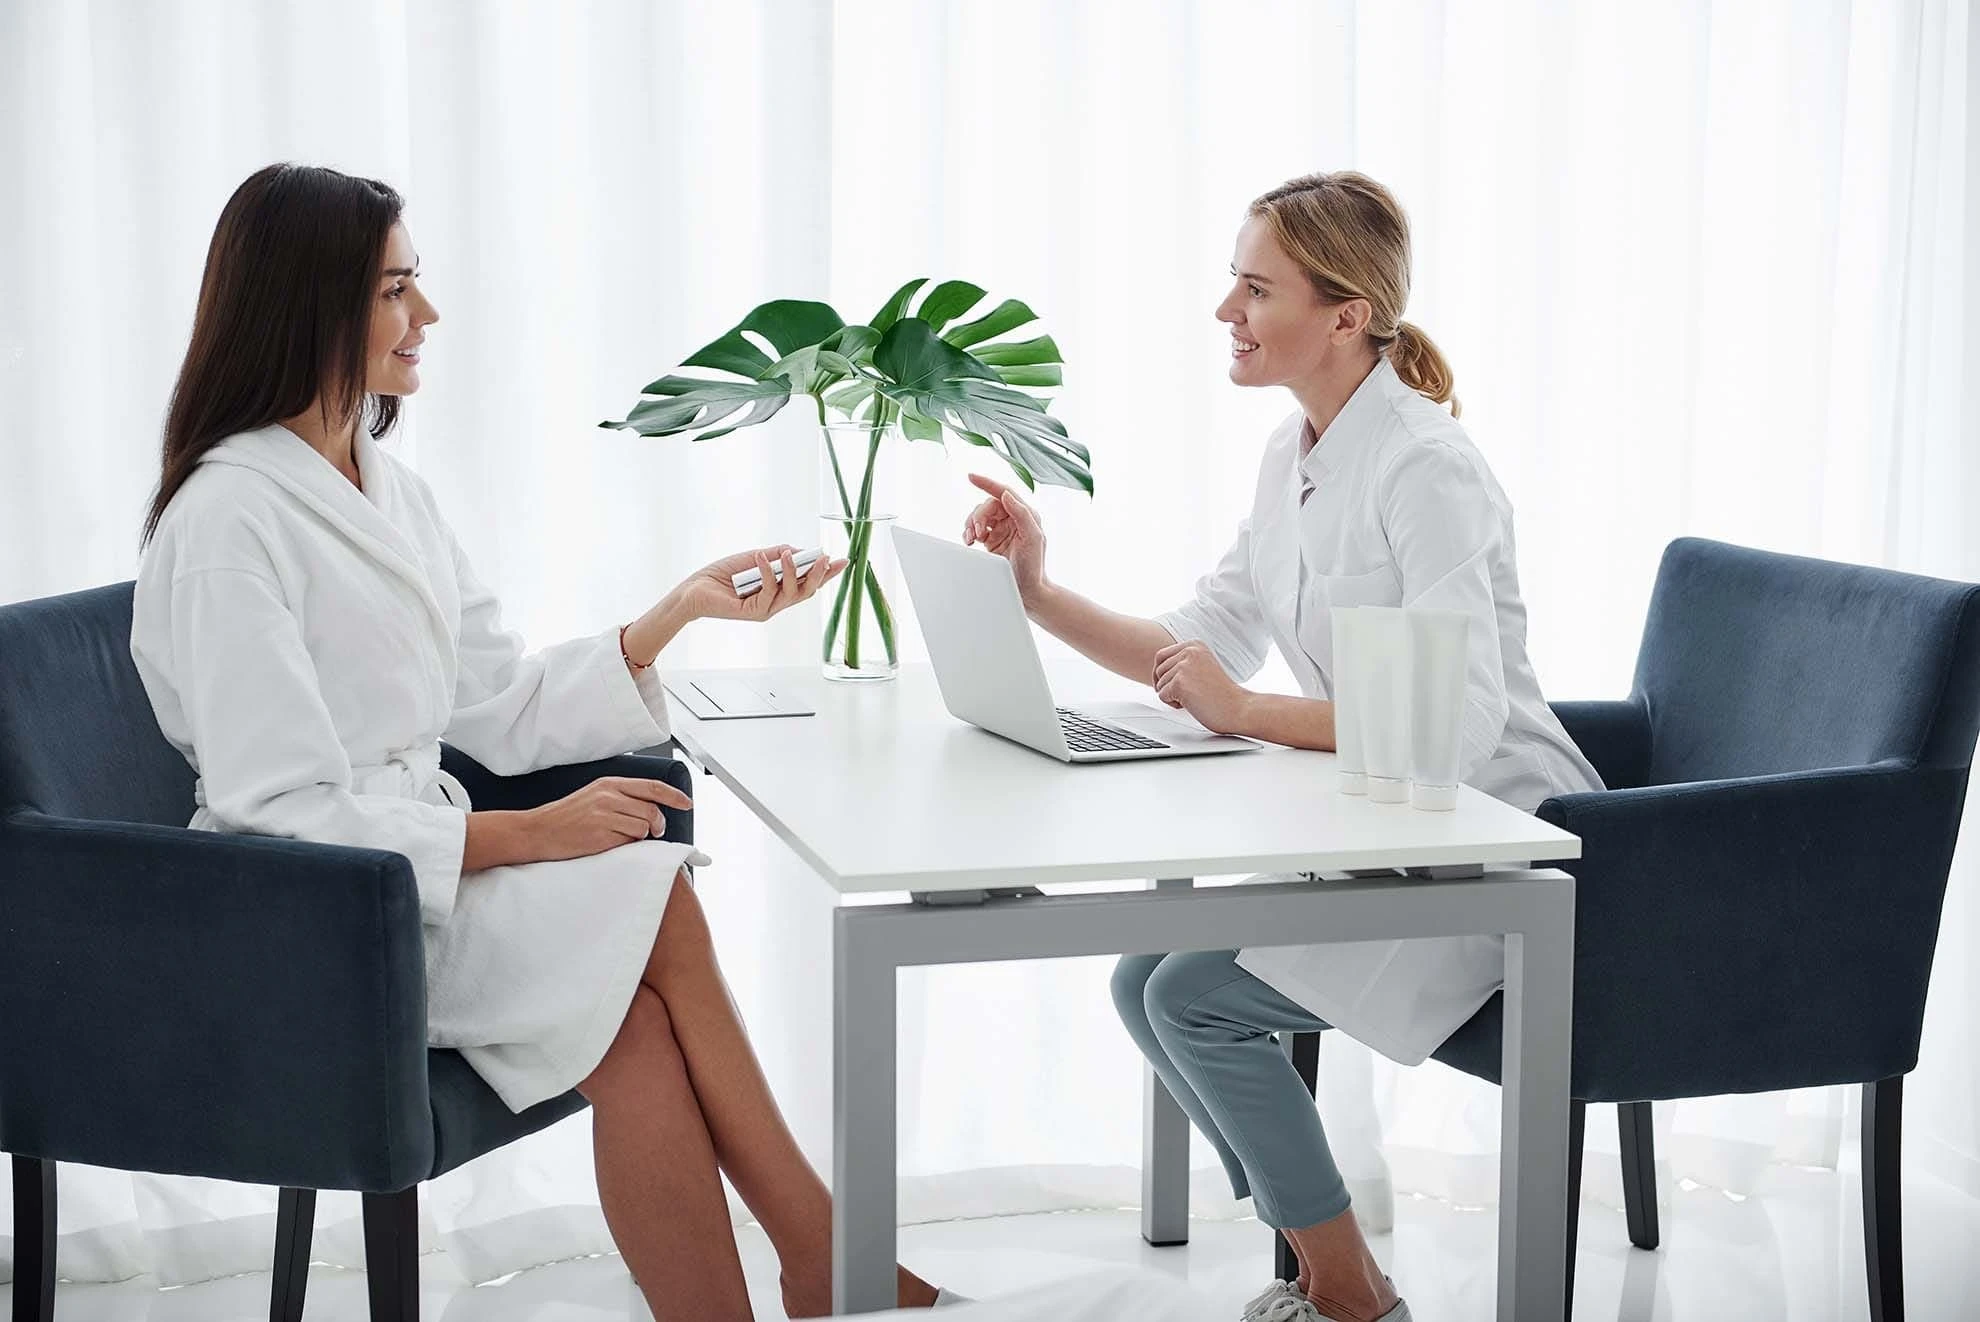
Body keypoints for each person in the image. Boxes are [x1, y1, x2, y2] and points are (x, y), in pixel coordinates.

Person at [131, 163, 956, 1321]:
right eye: (395, 291)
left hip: (410, 875)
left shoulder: (385, 487)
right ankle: (820, 1247)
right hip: (307, 922)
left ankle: (809, 1262)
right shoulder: (228, 520)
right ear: (308, 302)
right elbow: (283, 809)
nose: (427, 317)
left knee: (640, 1033)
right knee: (652, 907)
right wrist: (528, 834)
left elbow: (494, 701)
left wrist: (670, 616)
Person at [962, 170, 1603, 1322]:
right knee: (1141, 978)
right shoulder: (1290, 453)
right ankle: (1328, 1264)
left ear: (1347, 314)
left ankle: (1347, 1289)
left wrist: (1247, 711)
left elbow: (1450, 731)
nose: (1227, 313)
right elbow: (1202, 638)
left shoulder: (1429, 469)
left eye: (1256, 289)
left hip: (1496, 850)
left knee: (1195, 997)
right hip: (1383, 831)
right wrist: (1037, 591)